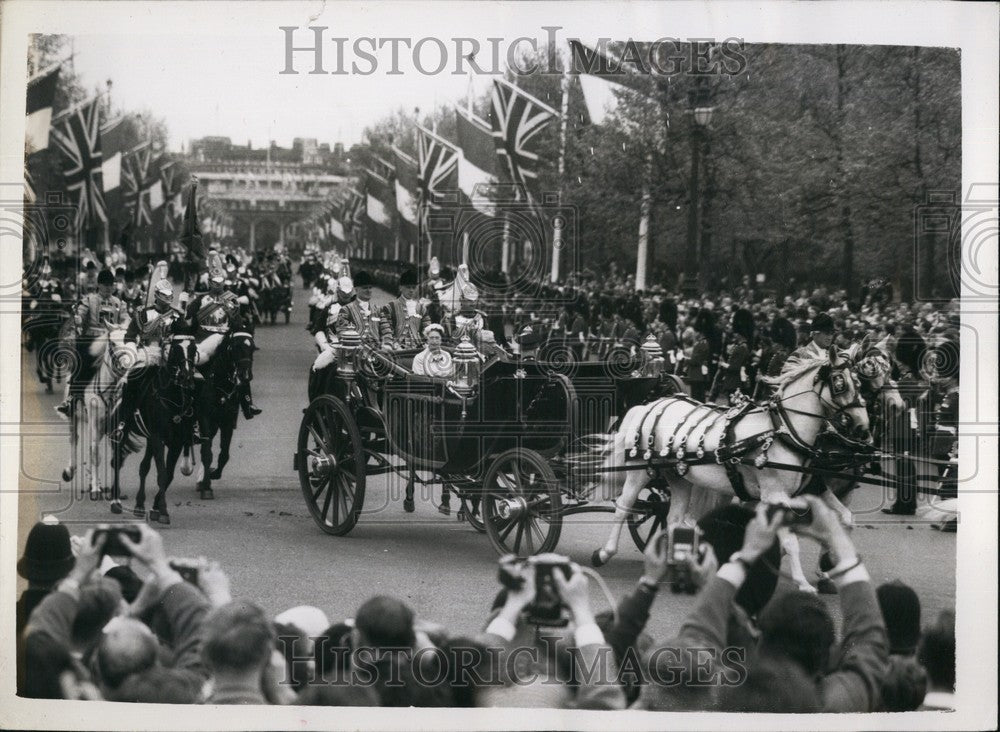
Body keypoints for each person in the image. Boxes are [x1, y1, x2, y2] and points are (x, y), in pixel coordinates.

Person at [55, 268, 129, 417]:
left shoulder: (119, 303)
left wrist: (124, 325)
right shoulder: (89, 299)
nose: (109, 288)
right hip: (91, 339)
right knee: (83, 364)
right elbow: (81, 313)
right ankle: (71, 399)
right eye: (105, 285)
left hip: (112, 340)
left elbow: (126, 318)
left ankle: (128, 401)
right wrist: (79, 319)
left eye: (111, 285)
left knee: (128, 363)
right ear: (99, 285)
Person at [381, 268, 431, 350]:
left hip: (418, 348)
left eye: (413, 287)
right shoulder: (390, 307)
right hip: (397, 349)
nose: (411, 290)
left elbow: (427, 329)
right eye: (408, 287)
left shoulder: (422, 308)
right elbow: (386, 330)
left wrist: (426, 344)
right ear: (401, 288)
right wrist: (391, 345)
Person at [336, 270, 382, 348]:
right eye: (365, 288)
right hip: (355, 352)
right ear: (356, 289)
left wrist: (387, 344)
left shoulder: (378, 309)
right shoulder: (346, 310)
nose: (368, 291)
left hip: (378, 351)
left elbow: (386, 330)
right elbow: (341, 332)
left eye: (370, 288)